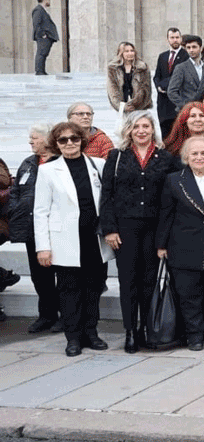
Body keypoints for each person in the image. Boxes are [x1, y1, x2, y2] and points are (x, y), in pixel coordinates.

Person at [34, 121, 115, 356]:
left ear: (82, 140)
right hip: (65, 242)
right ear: (56, 144)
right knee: (69, 291)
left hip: (94, 240)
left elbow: (108, 201)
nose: (69, 143)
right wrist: (43, 247)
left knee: (93, 289)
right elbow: (40, 211)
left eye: (74, 138)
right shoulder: (48, 170)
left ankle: (91, 332)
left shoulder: (98, 164)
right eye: (63, 140)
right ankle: (73, 338)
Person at [99, 111, 174, 353]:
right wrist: (109, 229)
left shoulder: (165, 157)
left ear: (153, 130)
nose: (141, 131)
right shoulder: (117, 156)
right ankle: (130, 331)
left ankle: (145, 329)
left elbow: (169, 199)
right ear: (129, 130)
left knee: (149, 281)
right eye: (136, 127)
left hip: (154, 227)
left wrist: (164, 238)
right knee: (128, 280)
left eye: (146, 126)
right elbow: (107, 194)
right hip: (125, 228)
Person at [155, 136, 204, 351]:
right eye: (194, 154)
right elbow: (166, 214)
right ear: (186, 157)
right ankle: (194, 335)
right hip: (185, 246)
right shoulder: (174, 180)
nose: (199, 157)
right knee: (189, 295)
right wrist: (161, 245)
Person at [12, 124, 61, 333]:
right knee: (39, 276)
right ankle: (47, 315)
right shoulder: (28, 163)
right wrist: (16, 209)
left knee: (62, 275)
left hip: (55, 229)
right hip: (31, 228)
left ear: (48, 139)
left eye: (35, 137)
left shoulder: (60, 161)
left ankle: (66, 316)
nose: (30, 141)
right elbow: (15, 191)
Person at [168, 34, 204, 111]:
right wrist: (185, 106)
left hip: (203, 110)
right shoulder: (181, 68)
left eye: (194, 47)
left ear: (200, 48)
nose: (191, 50)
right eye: (188, 48)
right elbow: (171, 91)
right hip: (186, 111)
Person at [154, 28, 186, 132]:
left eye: (177, 37)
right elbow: (157, 76)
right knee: (164, 133)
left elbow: (180, 76)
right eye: (172, 37)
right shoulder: (162, 56)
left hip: (177, 101)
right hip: (163, 102)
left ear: (181, 39)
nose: (175, 40)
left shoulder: (186, 55)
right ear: (167, 39)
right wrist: (158, 87)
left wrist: (164, 85)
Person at [106, 42, 152, 113]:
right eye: (126, 51)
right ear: (121, 53)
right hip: (121, 108)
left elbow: (146, 88)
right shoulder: (113, 68)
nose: (130, 53)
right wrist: (121, 107)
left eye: (132, 51)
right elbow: (112, 89)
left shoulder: (142, 67)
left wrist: (134, 104)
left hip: (140, 107)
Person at [31, 0, 59, 75]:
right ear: (44, 0)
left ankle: (42, 71)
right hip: (43, 37)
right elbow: (36, 24)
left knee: (44, 53)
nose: (49, 2)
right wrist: (43, 35)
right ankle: (39, 71)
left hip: (46, 36)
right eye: (48, 0)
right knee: (41, 53)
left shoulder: (42, 10)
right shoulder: (38, 10)